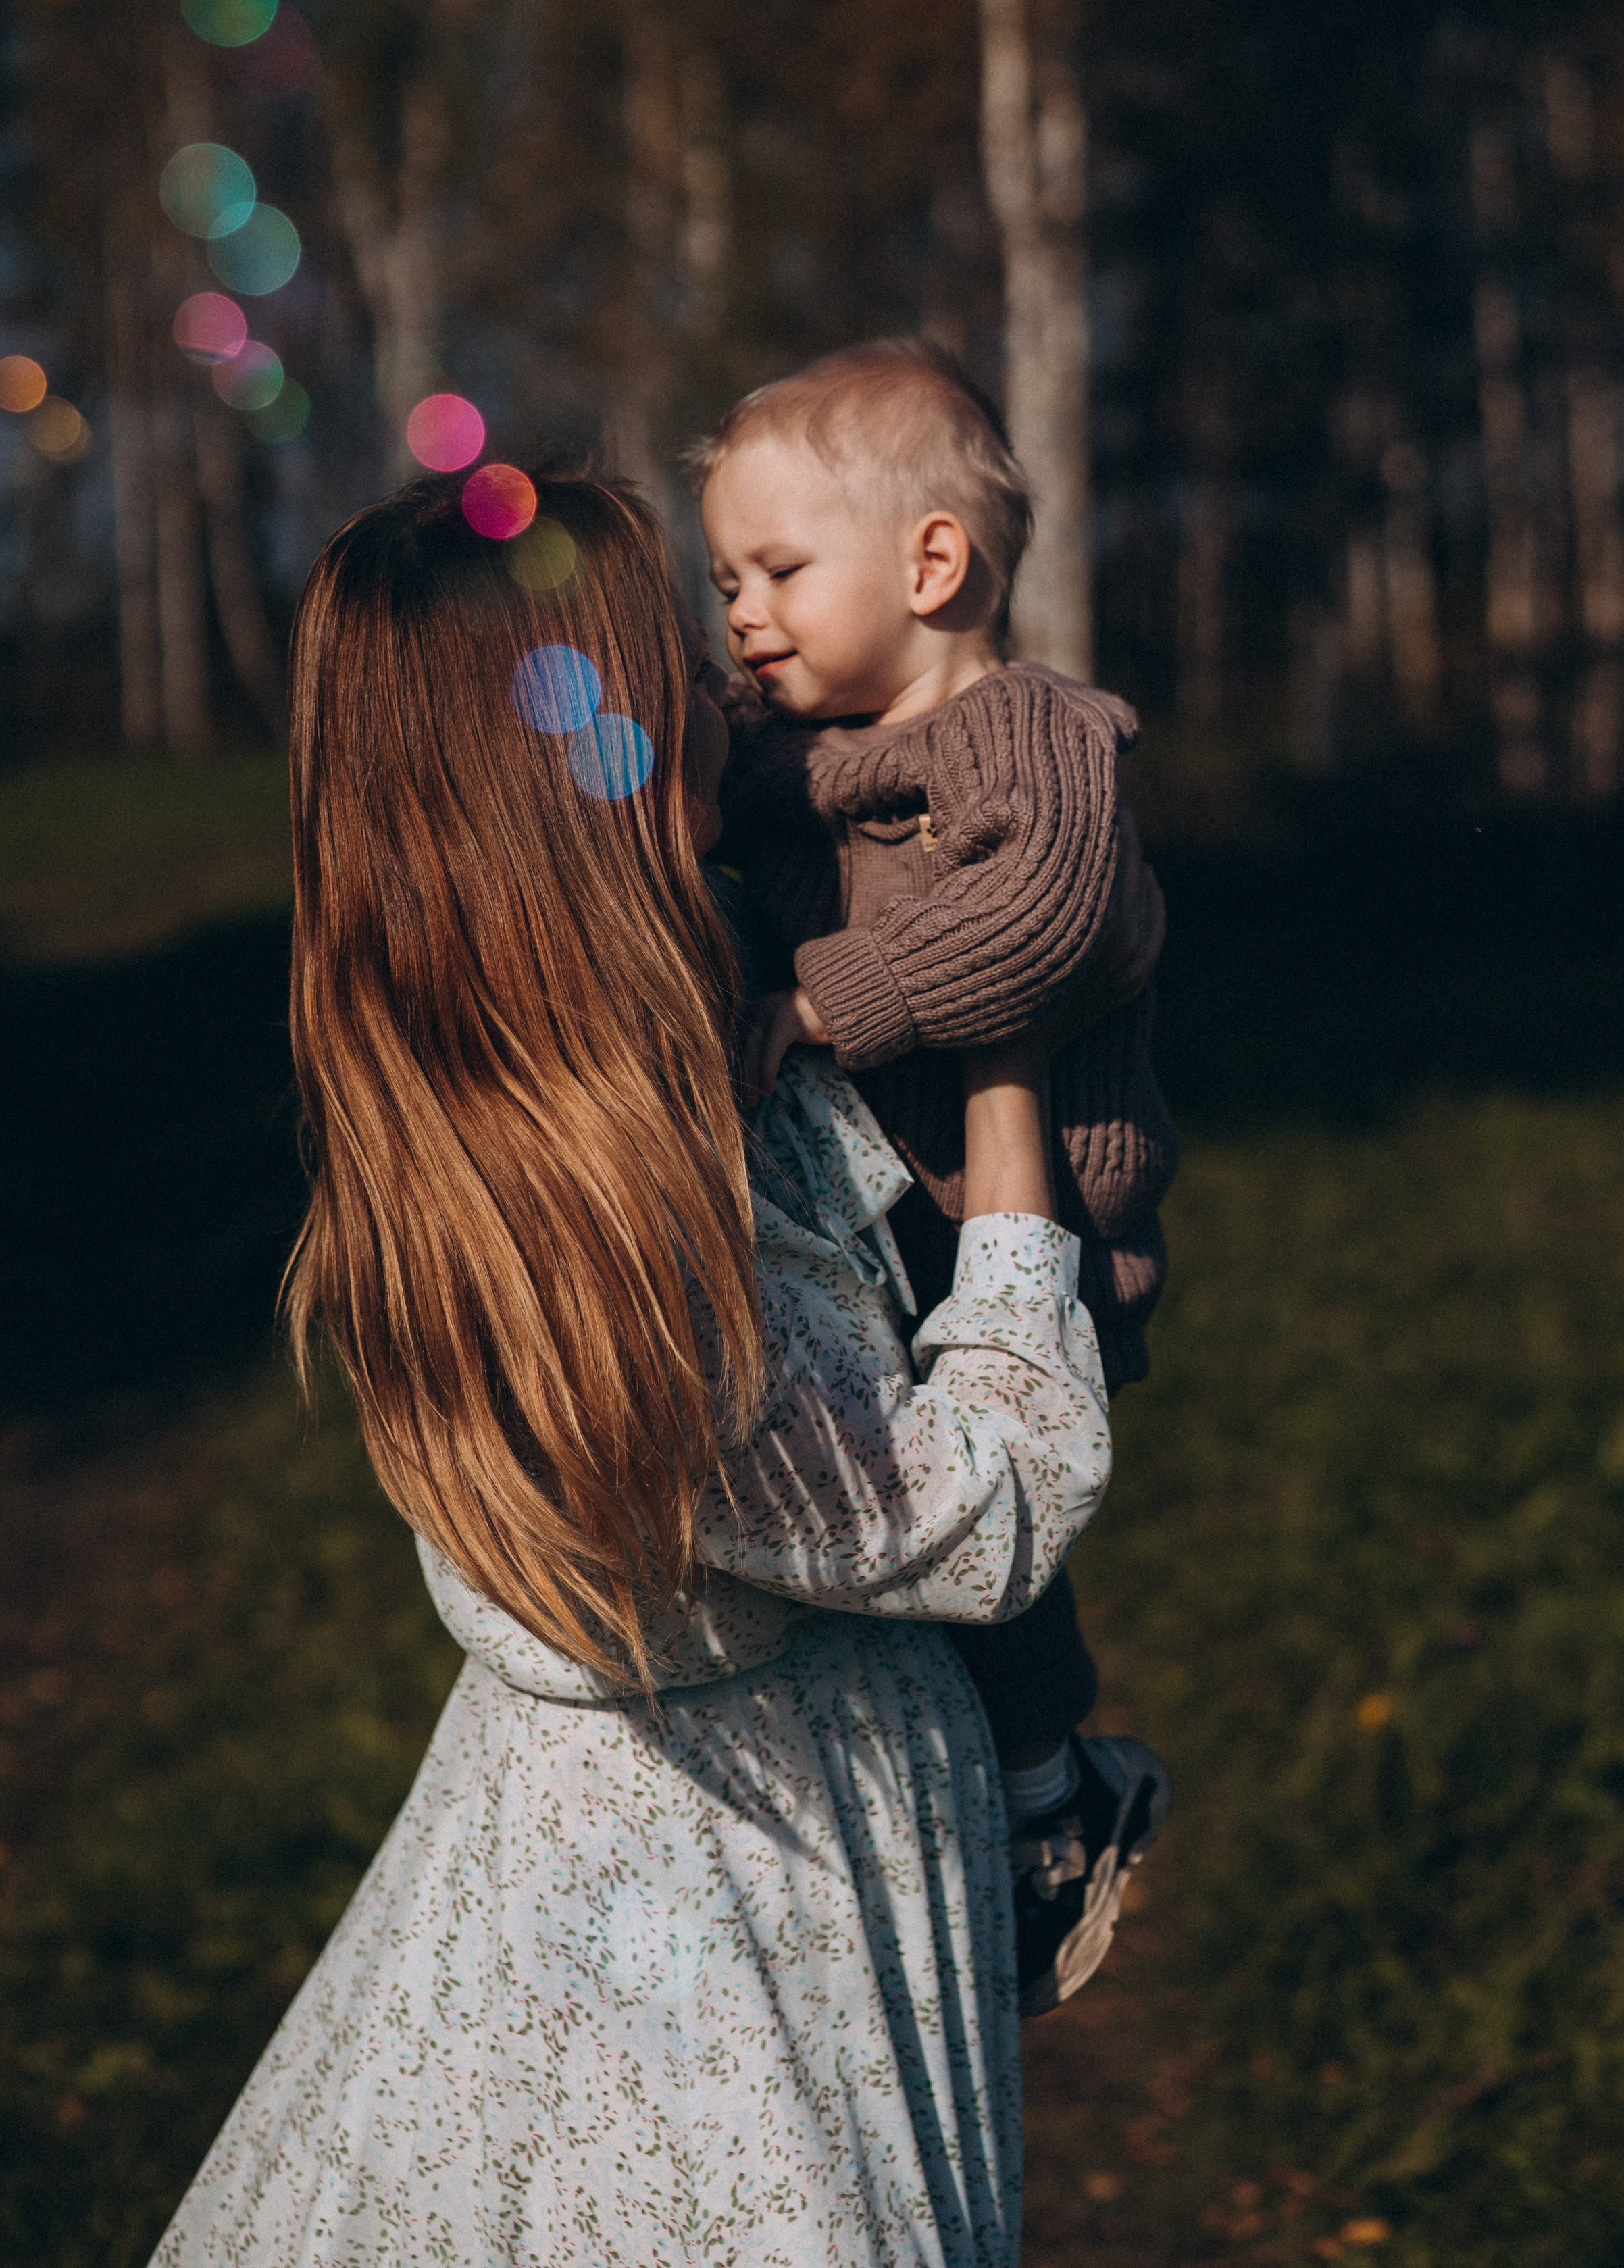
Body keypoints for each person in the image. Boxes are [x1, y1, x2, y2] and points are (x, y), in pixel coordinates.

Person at [151, 470, 1119, 2268]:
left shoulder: (509, 1090)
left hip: (632, 1845)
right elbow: (990, 1507)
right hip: (737, 1934)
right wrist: (1011, 1078)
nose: (703, 678)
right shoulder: (633, 1240)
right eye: (653, 662)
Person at [693, 340, 1177, 2013]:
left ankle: (1054, 1796)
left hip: (1019, 1220)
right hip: (876, 1212)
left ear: (932, 566)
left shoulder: (1019, 734)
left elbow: (1040, 913)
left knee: (988, 1533)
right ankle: (969, 1794)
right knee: (900, 1532)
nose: (742, 613)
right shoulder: (793, 760)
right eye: (722, 581)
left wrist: (836, 998)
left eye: (774, 571)